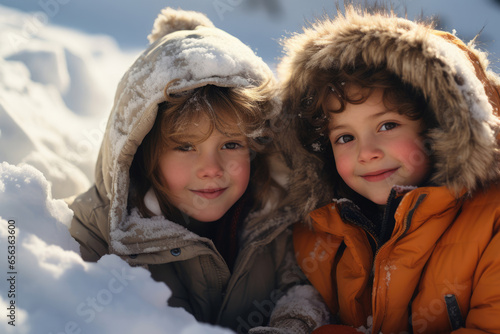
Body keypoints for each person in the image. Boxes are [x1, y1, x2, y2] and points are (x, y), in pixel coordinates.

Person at [68, 7, 330, 334]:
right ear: (143, 154)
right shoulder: (98, 229)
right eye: (185, 147)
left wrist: (291, 323)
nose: (211, 169)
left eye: (231, 145)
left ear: (258, 147)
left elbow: (301, 285)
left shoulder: (276, 219)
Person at [276, 4, 500, 333]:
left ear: (439, 127)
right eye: (345, 137)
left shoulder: (491, 222)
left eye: (387, 125)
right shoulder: (321, 231)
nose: (366, 153)